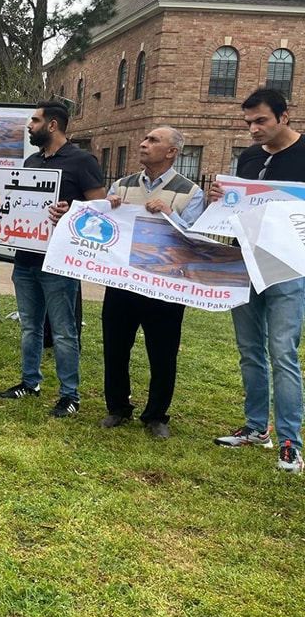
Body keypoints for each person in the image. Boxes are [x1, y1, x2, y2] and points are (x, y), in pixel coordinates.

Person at [210, 88, 305, 474]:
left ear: (284, 116)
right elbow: (238, 206)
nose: (253, 128)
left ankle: (289, 443)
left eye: (261, 120)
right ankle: (255, 428)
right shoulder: (248, 157)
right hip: (244, 260)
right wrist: (221, 196)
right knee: (249, 349)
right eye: (248, 122)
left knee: (282, 352)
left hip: (286, 266)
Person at [0, 101, 105, 416]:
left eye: (34, 120)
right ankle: (29, 382)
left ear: (53, 125)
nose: (29, 126)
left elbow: (100, 210)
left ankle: (69, 395)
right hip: (26, 260)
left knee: (63, 330)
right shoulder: (31, 161)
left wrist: (70, 211)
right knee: (30, 327)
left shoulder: (82, 161)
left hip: (59, 263)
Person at [98, 126, 204, 438]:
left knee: (162, 352)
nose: (143, 144)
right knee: (115, 348)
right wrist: (109, 208)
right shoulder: (122, 185)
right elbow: (103, 229)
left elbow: (195, 241)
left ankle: (156, 416)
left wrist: (171, 214)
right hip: (123, 283)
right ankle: (117, 408)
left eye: (153, 140)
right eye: (144, 138)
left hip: (165, 287)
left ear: (172, 152)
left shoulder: (189, 193)